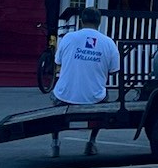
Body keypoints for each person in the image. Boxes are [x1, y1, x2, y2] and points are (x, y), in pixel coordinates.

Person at [51, 8, 120, 156]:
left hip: (64, 96)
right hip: (93, 98)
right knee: (104, 97)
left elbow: (58, 62)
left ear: (81, 21)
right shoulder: (108, 43)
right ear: (99, 22)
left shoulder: (68, 38)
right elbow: (114, 70)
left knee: (54, 101)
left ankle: (55, 143)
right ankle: (91, 142)